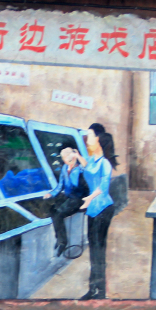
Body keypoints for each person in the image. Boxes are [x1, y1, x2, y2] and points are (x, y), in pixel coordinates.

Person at [76, 123, 117, 300]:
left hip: (102, 207)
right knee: (94, 249)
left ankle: (99, 291)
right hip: (93, 208)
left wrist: (89, 198)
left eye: (90, 136)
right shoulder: (92, 159)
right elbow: (88, 170)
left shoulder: (105, 163)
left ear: (98, 140)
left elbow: (103, 187)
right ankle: (95, 289)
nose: (87, 140)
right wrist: (78, 158)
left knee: (98, 250)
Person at [43, 146, 90, 256]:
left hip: (78, 199)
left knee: (59, 214)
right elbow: (60, 186)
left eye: (65, 158)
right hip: (68, 197)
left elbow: (88, 168)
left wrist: (78, 155)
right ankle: (59, 238)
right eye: (63, 158)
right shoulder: (64, 168)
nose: (64, 160)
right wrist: (51, 193)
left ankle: (63, 242)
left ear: (72, 158)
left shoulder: (79, 169)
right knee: (52, 211)